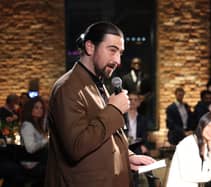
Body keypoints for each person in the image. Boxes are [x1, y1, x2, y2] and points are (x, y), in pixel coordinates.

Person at [44, 22, 155, 187]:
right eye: (112, 50)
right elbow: (76, 146)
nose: (117, 60)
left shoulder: (96, 81)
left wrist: (128, 156)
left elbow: (105, 135)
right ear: (90, 47)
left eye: (120, 53)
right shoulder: (67, 88)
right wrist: (114, 109)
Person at [166, 112, 211, 187]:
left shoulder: (206, 145)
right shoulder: (188, 144)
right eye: (210, 125)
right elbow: (189, 175)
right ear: (202, 124)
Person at [20, 96, 48, 186]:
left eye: (41, 108)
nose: (40, 110)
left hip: (37, 160)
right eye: (36, 107)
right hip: (30, 164)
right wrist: (46, 140)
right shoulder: (27, 125)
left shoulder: (37, 124)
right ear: (30, 109)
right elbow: (30, 148)